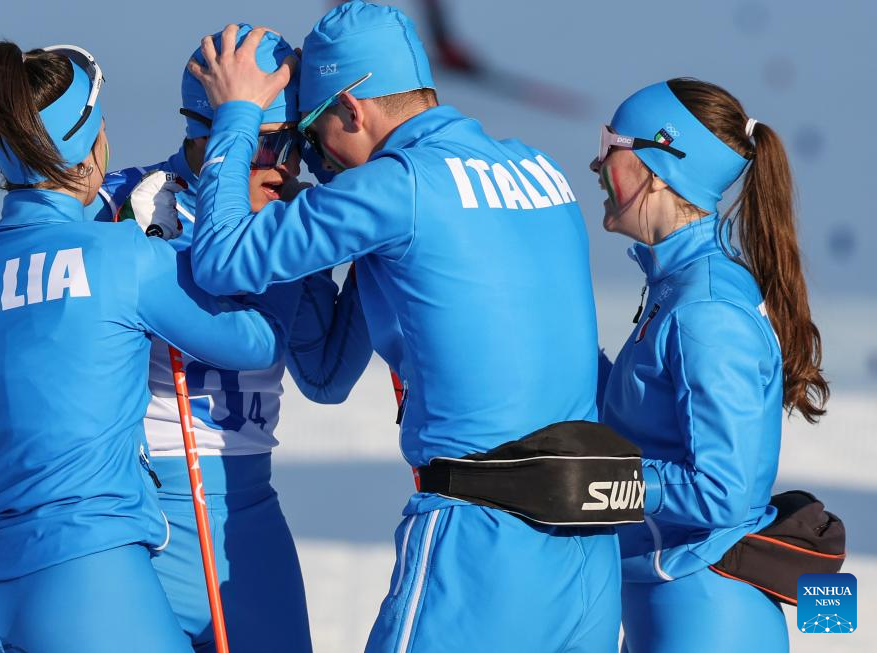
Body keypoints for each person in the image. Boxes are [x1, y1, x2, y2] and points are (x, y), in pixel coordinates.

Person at [185, 3, 623, 651]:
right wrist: (311, 221)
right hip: (588, 547)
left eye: (310, 135)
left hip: (481, 542)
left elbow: (222, 259)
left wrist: (237, 118)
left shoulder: (398, 187)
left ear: (352, 110)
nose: (314, 162)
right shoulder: (537, 166)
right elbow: (328, 374)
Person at [0, 41, 290, 653]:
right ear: (92, 144)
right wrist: (263, 228)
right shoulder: (120, 257)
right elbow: (257, 343)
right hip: (90, 582)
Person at [90, 25, 372, 652]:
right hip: (144, 517)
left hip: (250, 521)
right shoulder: (126, 201)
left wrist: (372, 239)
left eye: (300, 144)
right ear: (209, 134)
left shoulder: (285, 218)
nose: (287, 166)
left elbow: (327, 376)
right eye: (268, 143)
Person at [591, 79, 829, 652]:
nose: (597, 164)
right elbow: (640, 421)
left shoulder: (707, 308)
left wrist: (596, 484)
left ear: (659, 164)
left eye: (610, 145)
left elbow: (723, 491)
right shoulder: (676, 285)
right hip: (671, 601)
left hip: (706, 614)